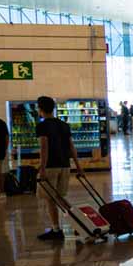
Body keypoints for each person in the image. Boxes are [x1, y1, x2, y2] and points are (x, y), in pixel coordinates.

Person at [35, 96, 82, 241]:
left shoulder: (42, 126)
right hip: (65, 165)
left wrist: (42, 167)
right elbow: (71, 147)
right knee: (60, 197)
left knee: (50, 199)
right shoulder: (63, 125)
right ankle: (79, 224)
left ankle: (56, 229)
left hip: (50, 166)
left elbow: (44, 147)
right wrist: (78, 166)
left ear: (40, 109)